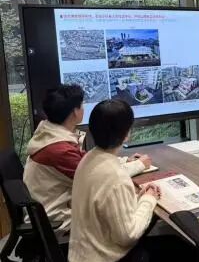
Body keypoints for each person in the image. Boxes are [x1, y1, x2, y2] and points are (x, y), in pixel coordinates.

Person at [68, 99, 199, 262]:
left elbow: (109, 204)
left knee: (171, 242)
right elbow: (128, 235)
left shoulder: (89, 159)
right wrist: (148, 199)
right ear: (127, 133)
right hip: (104, 261)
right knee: (186, 254)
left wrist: (139, 198)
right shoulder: (114, 175)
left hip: (85, 252)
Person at [23, 85, 151, 230]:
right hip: (58, 219)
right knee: (128, 209)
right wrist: (139, 165)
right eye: (82, 105)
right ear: (75, 112)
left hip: (57, 208)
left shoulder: (49, 136)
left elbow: (89, 161)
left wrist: (124, 160)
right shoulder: (58, 150)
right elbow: (103, 178)